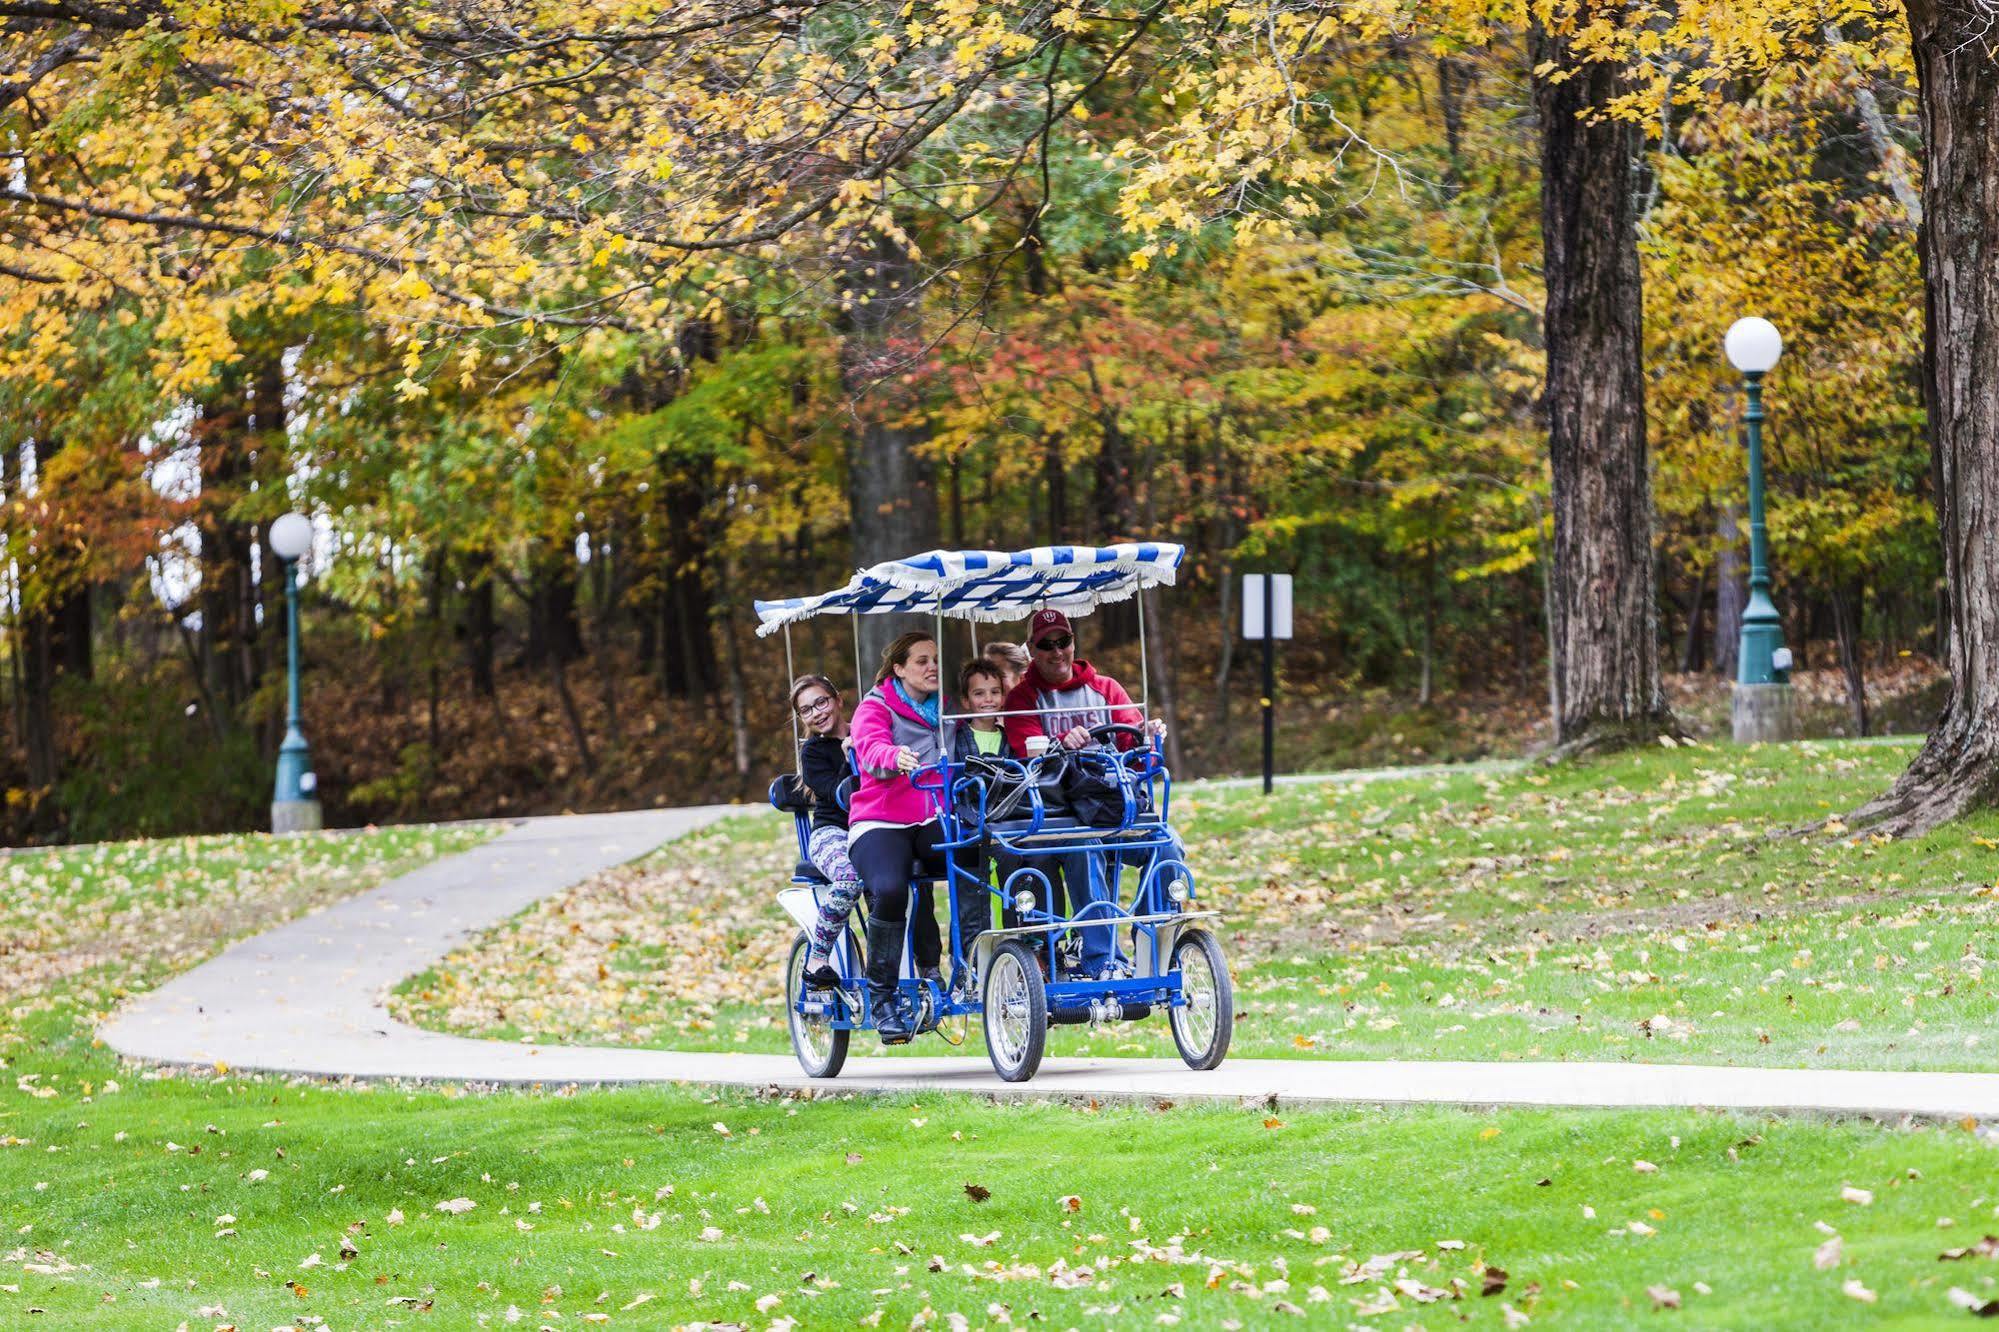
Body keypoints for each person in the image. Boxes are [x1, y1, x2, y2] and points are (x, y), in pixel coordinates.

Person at [1001, 608, 1169, 980]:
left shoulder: (1106, 689)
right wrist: (1062, 742)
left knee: (1166, 845)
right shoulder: (1022, 698)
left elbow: (1137, 748)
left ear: (1074, 643)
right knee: (1086, 846)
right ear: (1032, 648)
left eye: (1063, 641)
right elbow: (1025, 750)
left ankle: (1153, 945)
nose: (1056, 651)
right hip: (1062, 812)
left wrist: (1149, 734)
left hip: (1113, 804)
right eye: (1046, 644)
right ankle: (1102, 958)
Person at [846, 632, 951, 1044]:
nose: (932, 667)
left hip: (929, 815)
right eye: (922, 661)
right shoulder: (874, 707)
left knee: (973, 862)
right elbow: (871, 749)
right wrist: (895, 756)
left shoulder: (944, 710)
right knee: (890, 889)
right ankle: (883, 996)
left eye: (936, 659)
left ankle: (968, 968)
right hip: (880, 820)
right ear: (899, 669)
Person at [787, 675, 860, 991]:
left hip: (872, 827)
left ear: (838, 700)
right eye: (806, 710)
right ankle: (818, 958)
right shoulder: (814, 752)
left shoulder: (865, 732)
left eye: (821, 702)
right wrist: (849, 758)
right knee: (849, 877)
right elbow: (838, 795)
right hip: (832, 832)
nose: (816, 713)